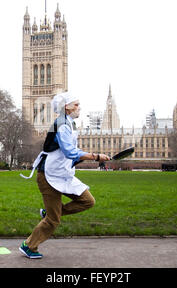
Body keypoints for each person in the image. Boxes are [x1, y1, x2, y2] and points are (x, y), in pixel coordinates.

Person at [19, 92, 110, 259]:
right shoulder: (61, 124)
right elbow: (69, 151)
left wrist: (88, 158)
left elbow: (69, 155)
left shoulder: (70, 124)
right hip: (49, 176)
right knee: (53, 221)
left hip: (63, 175)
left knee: (88, 201)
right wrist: (95, 156)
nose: (79, 107)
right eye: (76, 105)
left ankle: (50, 212)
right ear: (66, 107)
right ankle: (29, 246)